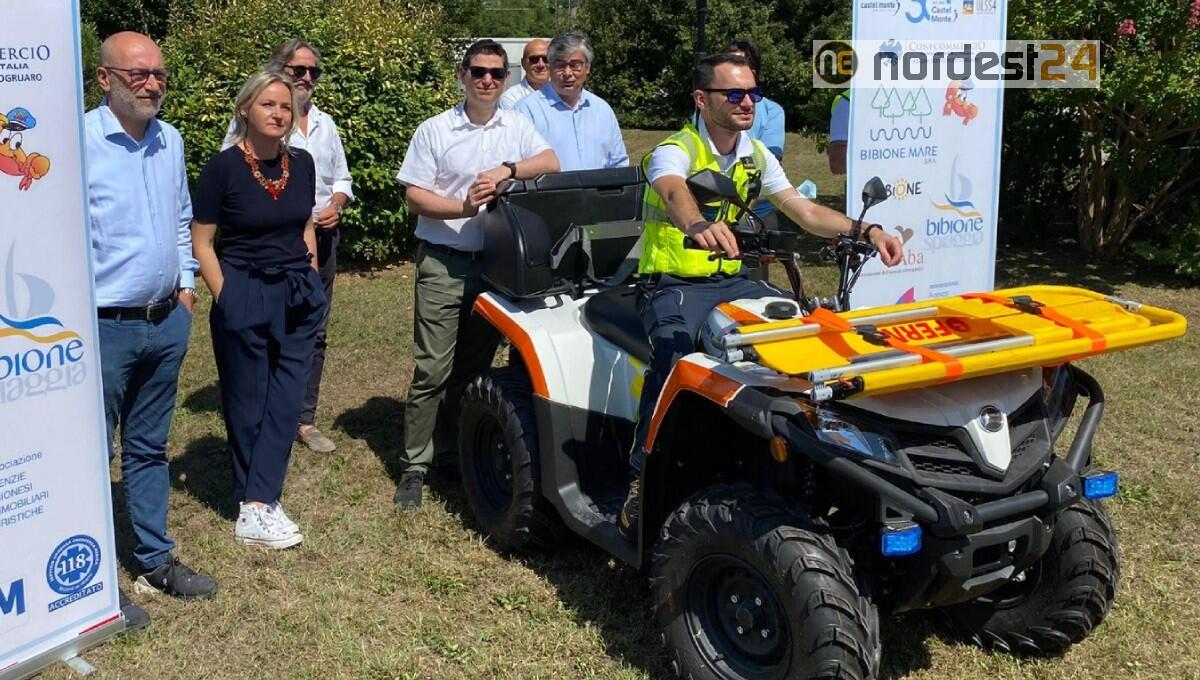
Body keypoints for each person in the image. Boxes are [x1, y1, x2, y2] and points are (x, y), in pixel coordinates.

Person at [617, 54, 904, 540]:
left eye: (752, 92)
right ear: (702, 100)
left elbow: (803, 209)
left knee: (799, 331)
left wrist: (866, 229)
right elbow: (670, 190)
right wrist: (698, 223)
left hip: (733, 281)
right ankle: (642, 476)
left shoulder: (755, 153)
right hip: (672, 284)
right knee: (675, 358)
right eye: (734, 94)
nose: (747, 101)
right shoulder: (675, 148)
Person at [85, 31, 218, 629]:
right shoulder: (76, 143)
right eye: (137, 73)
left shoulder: (171, 140)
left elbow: (182, 215)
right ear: (103, 78)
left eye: (158, 73)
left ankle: (153, 558)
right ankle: (87, 585)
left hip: (166, 319)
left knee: (147, 446)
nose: (151, 83)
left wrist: (187, 287)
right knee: (89, 454)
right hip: (100, 328)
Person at [394, 39, 559, 509]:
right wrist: (463, 206)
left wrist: (508, 169)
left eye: (496, 73)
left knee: (471, 366)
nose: (487, 80)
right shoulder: (435, 130)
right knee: (432, 368)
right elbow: (415, 196)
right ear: (463, 75)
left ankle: (450, 451)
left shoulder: (516, 124)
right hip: (444, 260)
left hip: (492, 265)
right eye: (478, 71)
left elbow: (549, 162)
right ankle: (414, 465)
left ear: (506, 79)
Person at [192, 71, 326, 549]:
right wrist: (227, 296)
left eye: (285, 107)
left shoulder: (303, 164)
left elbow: (304, 223)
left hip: (296, 290)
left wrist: (310, 273)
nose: (278, 113)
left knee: (286, 399)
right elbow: (202, 241)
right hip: (244, 286)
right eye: (268, 104)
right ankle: (255, 506)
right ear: (245, 109)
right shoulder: (222, 168)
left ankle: (259, 499)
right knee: (248, 401)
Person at [221, 40, 355, 454]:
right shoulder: (253, 121)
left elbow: (343, 179)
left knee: (312, 328)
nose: (307, 78)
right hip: (270, 243)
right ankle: (265, 415)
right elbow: (232, 176)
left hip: (319, 239)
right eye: (298, 70)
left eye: (313, 71)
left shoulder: (326, 125)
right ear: (279, 69)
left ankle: (304, 418)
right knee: (265, 330)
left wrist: (336, 203)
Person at [514, 32, 628, 171]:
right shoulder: (525, 111)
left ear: (588, 67)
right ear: (550, 67)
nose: (567, 73)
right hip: (550, 192)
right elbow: (517, 165)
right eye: (560, 65)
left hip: (598, 192)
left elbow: (618, 164)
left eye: (575, 65)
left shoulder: (602, 110)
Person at [724, 40, 785, 227]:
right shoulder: (707, 110)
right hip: (713, 214)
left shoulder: (772, 111)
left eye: (736, 64)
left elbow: (764, 169)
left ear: (752, 73)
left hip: (757, 214)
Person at [499, 38, 550, 109]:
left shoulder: (563, 94)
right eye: (534, 59)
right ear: (523, 63)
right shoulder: (511, 98)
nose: (541, 64)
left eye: (546, 59)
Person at [828, 90, 850, 175]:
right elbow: (838, 164)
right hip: (865, 185)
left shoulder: (845, 101)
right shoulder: (847, 101)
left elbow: (838, 164)